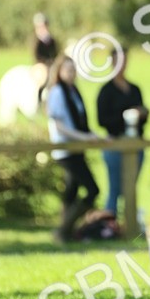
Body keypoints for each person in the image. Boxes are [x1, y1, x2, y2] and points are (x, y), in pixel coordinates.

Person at [46, 54, 101, 243]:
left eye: (73, 70)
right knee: (92, 189)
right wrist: (84, 137)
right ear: (59, 72)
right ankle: (63, 230)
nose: (71, 74)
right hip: (66, 150)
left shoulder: (73, 91)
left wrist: (93, 135)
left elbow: (80, 122)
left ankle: (66, 233)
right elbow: (59, 125)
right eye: (67, 70)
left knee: (72, 191)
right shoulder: (57, 92)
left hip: (77, 148)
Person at [96, 47, 148, 217]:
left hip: (135, 143)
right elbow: (102, 120)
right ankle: (109, 224)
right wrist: (125, 115)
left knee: (130, 188)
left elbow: (144, 115)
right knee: (115, 188)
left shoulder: (134, 89)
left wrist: (141, 113)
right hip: (115, 143)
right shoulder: (106, 91)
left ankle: (129, 224)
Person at [31, 12, 58, 100]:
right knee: (44, 76)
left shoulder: (51, 40)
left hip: (51, 63)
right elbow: (37, 55)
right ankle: (39, 98)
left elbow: (55, 53)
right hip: (40, 64)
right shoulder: (36, 40)